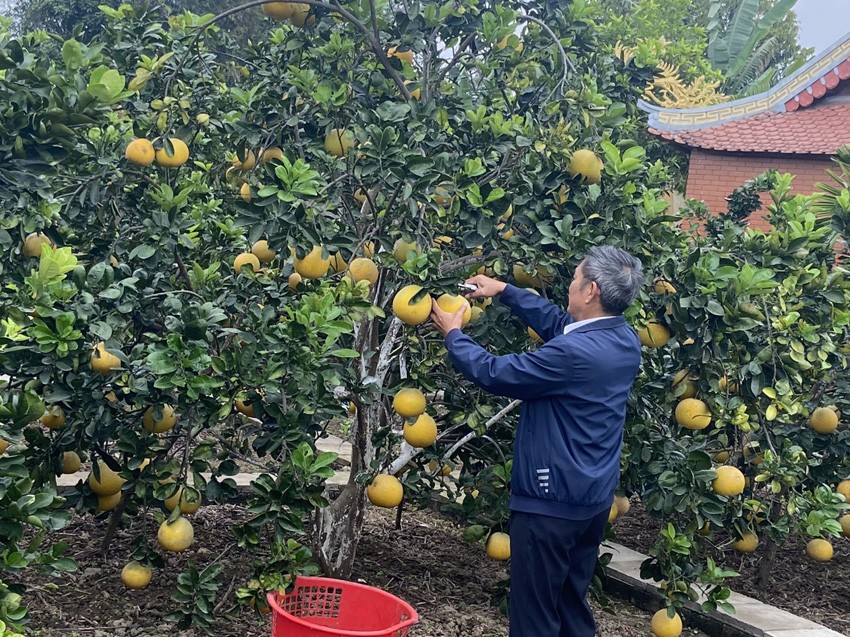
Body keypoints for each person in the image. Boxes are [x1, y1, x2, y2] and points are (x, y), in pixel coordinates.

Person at [429, 245, 643, 637]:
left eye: (576, 279)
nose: (570, 285)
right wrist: (504, 290)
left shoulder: (573, 354)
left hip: (551, 504)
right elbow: (559, 323)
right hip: (591, 498)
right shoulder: (623, 338)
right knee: (568, 604)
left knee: (534, 617)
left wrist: (454, 336)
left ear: (591, 290)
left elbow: (495, 373)